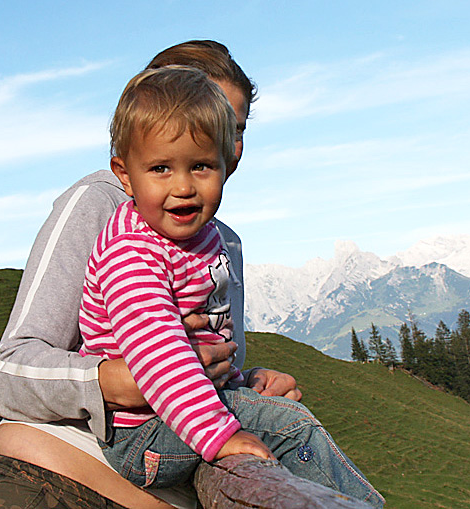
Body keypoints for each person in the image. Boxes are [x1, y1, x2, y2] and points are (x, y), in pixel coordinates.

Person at [0, 41, 383, 508]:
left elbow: (199, 361)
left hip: (163, 488)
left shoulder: (221, 242)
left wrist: (245, 380)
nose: (225, 140)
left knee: (287, 423)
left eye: (235, 128)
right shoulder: (101, 206)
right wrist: (117, 380)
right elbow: (2, 375)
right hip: (54, 484)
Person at [78, 64, 384, 508]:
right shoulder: (132, 254)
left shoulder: (197, 236)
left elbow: (209, 331)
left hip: (179, 416)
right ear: (124, 175)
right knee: (292, 427)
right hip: (143, 433)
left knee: (282, 419)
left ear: (227, 164)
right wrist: (222, 436)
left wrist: (240, 383)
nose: (183, 186)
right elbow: (160, 357)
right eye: (161, 168)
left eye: (201, 166)